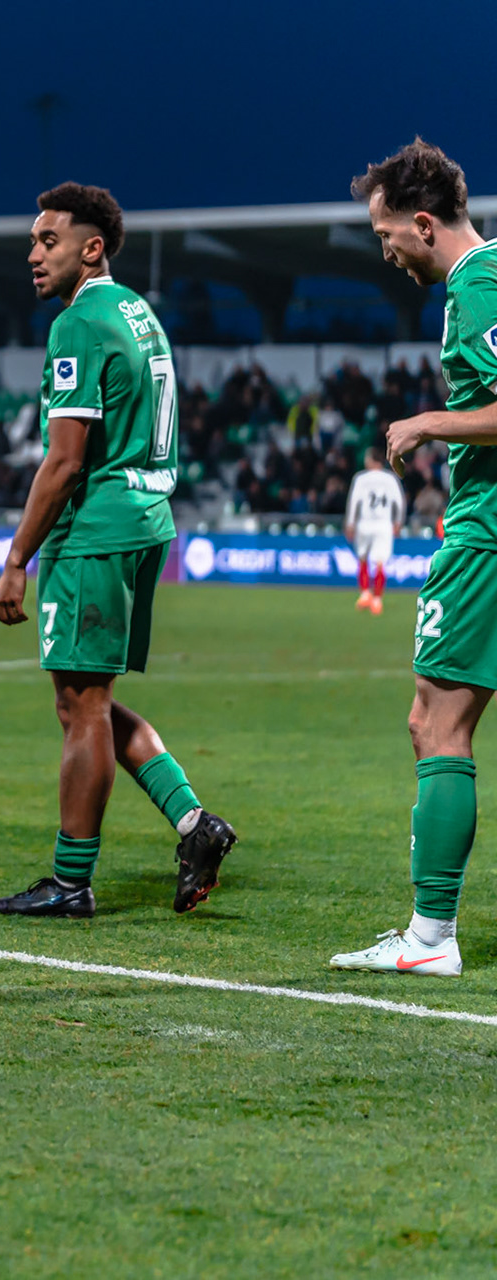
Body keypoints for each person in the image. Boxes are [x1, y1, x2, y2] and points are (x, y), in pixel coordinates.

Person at [0, 182, 236, 918]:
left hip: (96, 531)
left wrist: (16, 560)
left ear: (91, 248)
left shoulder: (79, 324)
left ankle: (71, 882)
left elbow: (65, 461)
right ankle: (194, 823)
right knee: (88, 700)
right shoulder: (139, 313)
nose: (34, 255)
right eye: (33, 242)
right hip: (146, 519)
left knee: (81, 708)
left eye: (49, 240)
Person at [332, 139, 497, 976]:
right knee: (433, 718)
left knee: (436, 722)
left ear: (423, 224)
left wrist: (429, 422)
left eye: (386, 234)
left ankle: (430, 940)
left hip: (488, 532)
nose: (386, 250)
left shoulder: (478, 285)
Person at [346, 447, 405, 614]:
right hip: (384, 524)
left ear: (371, 460)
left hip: (364, 523)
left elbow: (353, 502)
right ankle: (377, 600)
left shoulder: (360, 478)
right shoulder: (390, 478)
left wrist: (350, 523)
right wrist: (398, 522)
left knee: (362, 558)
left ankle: (365, 593)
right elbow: (399, 501)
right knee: (380, 563)